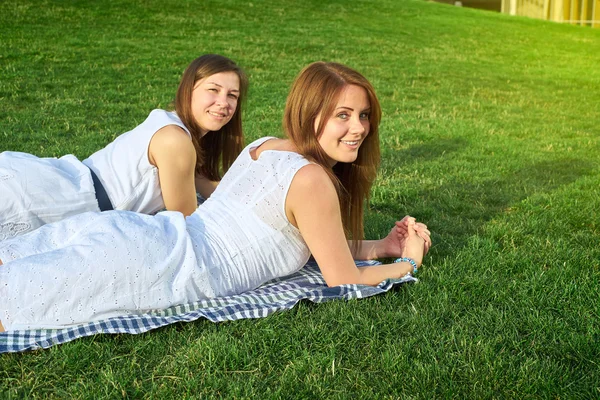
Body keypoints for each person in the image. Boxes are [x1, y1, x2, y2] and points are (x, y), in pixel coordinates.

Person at [0, 61, 431, 333]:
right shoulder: (313, 180)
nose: (358, 128)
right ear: (310, 114)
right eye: (343, 115)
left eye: (364, 116)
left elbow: (321, 247)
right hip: (162, 264)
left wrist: (381, 247)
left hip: (140, 234)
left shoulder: (263, 146)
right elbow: (343, 278)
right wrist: (408, 262)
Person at [0, 54, 248, 240]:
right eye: (213, 90)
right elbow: (188, 224)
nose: (223, 103)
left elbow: (209, 187)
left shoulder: (176, 127)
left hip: (66, 181)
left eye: (232, 95)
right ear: (188, 91)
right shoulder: (175, 140)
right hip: (59, 200)